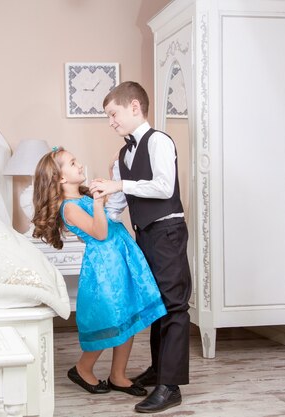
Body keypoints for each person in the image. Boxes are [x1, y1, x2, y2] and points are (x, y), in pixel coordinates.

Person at [89, 81, 192, 413]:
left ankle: (170, 386)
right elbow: (119, 203)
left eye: (113, 114)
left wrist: (118, 183)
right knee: (156, 305)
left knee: (175, 306)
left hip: (168, 232)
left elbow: (163, 187)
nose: (111, 122)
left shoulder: (159, 140)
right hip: (143, 235)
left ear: (134, 107)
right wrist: (94, 221)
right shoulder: (122, 154)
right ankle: (160, 370)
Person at [32, 147, 166, 397]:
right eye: (73, 163)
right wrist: (97, 200)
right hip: (105, 268)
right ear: (61, 178)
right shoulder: (69, 207)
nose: (79, 165)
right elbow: (100, 233)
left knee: (129, 317)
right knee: (109, 321)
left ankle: (118, 375)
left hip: (120, 259)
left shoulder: (82, 196)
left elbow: (111, 211)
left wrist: (113, 172)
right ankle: (82, 368)